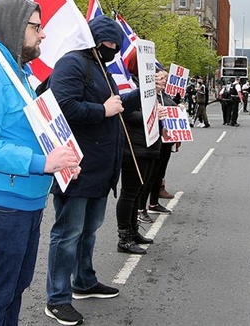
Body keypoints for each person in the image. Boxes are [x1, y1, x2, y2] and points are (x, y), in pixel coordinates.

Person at [0, 0, 80, 326]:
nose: (43, 34)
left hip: (22, 205)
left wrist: (61, 158)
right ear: (14, 26)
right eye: (36, 26)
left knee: (11, 294)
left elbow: (25, 132)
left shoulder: (19, 73)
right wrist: (41, 163)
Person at [45, 16, 140, 326]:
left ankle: (84, 281)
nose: (112, 50)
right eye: (108, 45)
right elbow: (63, 105)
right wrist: (103, 110)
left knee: (88, 231)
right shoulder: (72, 64)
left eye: (116, 47)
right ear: (95, 40)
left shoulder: (101, 67)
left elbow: (114, 104)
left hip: (100, 169)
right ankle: (57, 299)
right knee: (68, 234)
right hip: (77, 167)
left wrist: (140, 94)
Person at [116, 66, 161, 255]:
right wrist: (152, 115)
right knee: (129, 192)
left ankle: (133, 231)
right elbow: (124, 113)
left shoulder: (151, 89)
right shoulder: (127, 85)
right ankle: (124, 237)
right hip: (134, 148)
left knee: (139, 191)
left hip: (150, 145)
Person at [144, 70, 180, 215]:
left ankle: (153, 203)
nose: (163, 80)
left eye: (165, 78)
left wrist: (179, 107)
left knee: (160, 173)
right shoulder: (148, 96)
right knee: (150, 175)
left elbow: (171, 105)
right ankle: (141, 207)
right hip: (153, 139)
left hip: (165, 140)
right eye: (159, 78)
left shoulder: (164, 95)